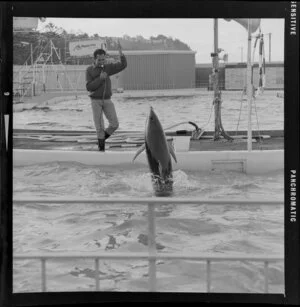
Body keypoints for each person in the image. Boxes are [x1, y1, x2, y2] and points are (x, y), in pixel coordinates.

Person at [86, 41, 127, 151]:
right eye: (99, 60)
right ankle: (101, 149)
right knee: (99, 127)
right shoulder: (89, 70)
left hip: (107, 100)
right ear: (94, 59)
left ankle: (100, 140)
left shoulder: (108, 68)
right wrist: (100, 79)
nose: (101, 61)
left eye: (103, 59)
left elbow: (122, 65)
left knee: (114, 124)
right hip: (96, 101)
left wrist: (121, 54)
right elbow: (89, 87)